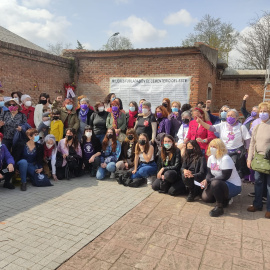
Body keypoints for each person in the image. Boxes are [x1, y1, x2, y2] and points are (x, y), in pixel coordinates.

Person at [196, 109, 251, 178]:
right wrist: (201, 122)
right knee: (224, 170)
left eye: (232, 115)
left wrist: (248, 155)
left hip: (237, 153)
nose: (229, 117)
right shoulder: (222, 125)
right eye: (228, 115)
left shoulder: (241, 127)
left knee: (236, 172)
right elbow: (211, 128)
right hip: (224, 152)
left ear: (237, 118)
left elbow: (247, 141)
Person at [201, 139, 242, 217]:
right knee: (206, 198)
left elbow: (225, 176)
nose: (212, 148)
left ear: (220, 148)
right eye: (211, 146)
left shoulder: (225, 159)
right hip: (219, 183)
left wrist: (210, 180)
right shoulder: (210, 158)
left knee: (215, 183)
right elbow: (209, 173)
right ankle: (224, 199)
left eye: (215, 147)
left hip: (233, 185)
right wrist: (206, 180)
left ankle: (219, 207)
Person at [247, 102, 270, 219]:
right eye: (261, 111)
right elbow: (252, 143)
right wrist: (249, 158)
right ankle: (257, 204)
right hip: (258, 159)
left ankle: (269, 209)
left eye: (265, 111)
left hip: (269, 160)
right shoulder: (256, 126)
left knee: (269, 186)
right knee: (258, 183)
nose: (262, 113)